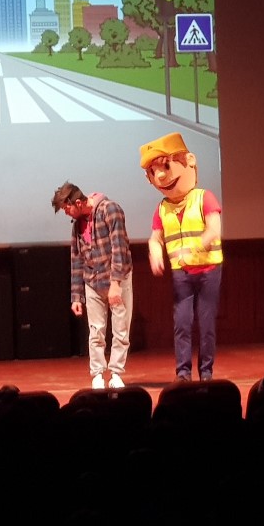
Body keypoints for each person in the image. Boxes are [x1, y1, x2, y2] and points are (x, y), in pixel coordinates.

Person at [139, 132, 223, 382]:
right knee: (182, 324)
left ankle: (206, 372)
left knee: (206, 325)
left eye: (165, 167)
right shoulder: (162, 208)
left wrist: (193, 249)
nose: (161, 176)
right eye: (154, 172)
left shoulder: (204, 197)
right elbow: (155, 238)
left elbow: (214, 230)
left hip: (208, 270)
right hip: (181, 274)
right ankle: (183, 373)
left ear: (189, 162)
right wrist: (155, 253)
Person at [52, 181, 134, 389]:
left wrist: (115, 283)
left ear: (78, 203)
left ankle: (116, 373)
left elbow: (119, 248)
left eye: (66, 208)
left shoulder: (110, 210)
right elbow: (77, 259)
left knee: (120, 329)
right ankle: (97, 374)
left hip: (117, 279)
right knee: (96, 331)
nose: (66, 213)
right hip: (92, 281)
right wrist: (76, 296)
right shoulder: (77, 225)